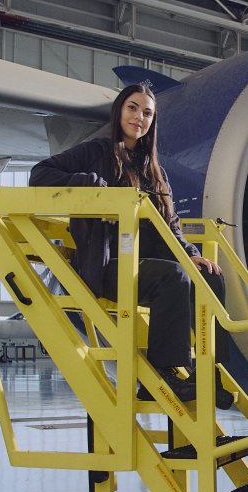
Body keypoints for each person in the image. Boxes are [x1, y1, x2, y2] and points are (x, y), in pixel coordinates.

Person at [28, 81, 229, 403]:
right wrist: (92, 186)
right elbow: (40, 173)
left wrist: (191, 254)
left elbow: (171, 226)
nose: (139, 117)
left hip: (147, 266)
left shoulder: (155, 171)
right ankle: (162, 375)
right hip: (109, 266)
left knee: (211, 277)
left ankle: (211, 371)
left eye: (147, 113)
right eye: (132, 108)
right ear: (119, 111)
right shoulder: (96, 152)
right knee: (173, 276)